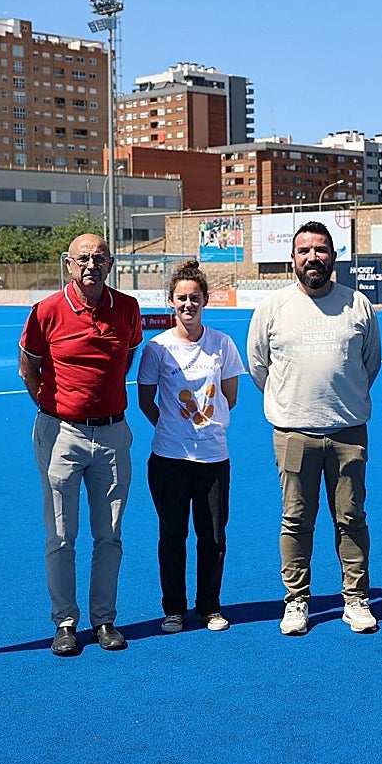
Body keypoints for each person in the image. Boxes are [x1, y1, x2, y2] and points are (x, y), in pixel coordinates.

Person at [248, 221, 382, 635]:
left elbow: (369, 364)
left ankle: (356, 598)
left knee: (351, 518)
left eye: (320, 250)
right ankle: (297, 601)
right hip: (293, 433)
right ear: (292, 258)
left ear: (333, 257)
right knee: (295, 520)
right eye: (304, 250)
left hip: (347, 432)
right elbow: (259, 367)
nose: (313, 258)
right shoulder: (273, 308)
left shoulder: (357, 305)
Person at [18, 234, 141, 656]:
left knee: (109, 535)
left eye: (99, 258)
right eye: (83, 258)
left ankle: (104, 619)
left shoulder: (127, 309)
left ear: (110, 263)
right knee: (61, 535)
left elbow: (125, 357)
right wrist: (55, 409)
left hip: (112, 434)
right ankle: (65, 622)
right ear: (68, 263)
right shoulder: (47, 311)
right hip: (60, 435)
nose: (91, 264)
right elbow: (28, 368)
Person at [137, 260, 245, 634]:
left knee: (213, 536)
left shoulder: (223, 344)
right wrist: (174, 428)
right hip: (169, 458)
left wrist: (202, 427)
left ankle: (210, 606)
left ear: (205, 300)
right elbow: (146, 401)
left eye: (194, 298)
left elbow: (230, 396)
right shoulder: (157, 348)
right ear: (170, 302)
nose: (188, 304)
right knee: (172, 535)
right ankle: (174, 608)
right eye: (181, 298)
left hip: (213, 457)